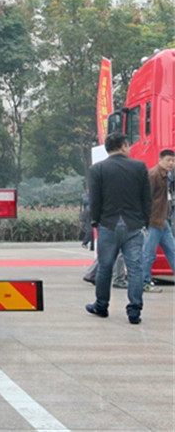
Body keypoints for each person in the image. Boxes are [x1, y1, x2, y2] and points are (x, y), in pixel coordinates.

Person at [85, 132, 151, 324]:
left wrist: (95, 221)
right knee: (135, 268)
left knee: (105, 267)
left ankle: (101, 306)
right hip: (133, 225)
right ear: (123, 146)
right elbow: (146, 198)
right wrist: (144, 222)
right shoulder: (139, 167)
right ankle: (134, 311)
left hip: (108, 224)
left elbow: (95, 200)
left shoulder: (97, 169)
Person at [140, 149, 175, 293]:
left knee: (172, 251)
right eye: (168, 160)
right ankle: (145, 282)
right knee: (148, 254)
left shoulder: (167, 175)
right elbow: (145, 198)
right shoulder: (153, 175)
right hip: (154, 221)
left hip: (163, 220)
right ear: (160, 160)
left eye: (173, 161)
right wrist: (145, 221)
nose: (171, 163)